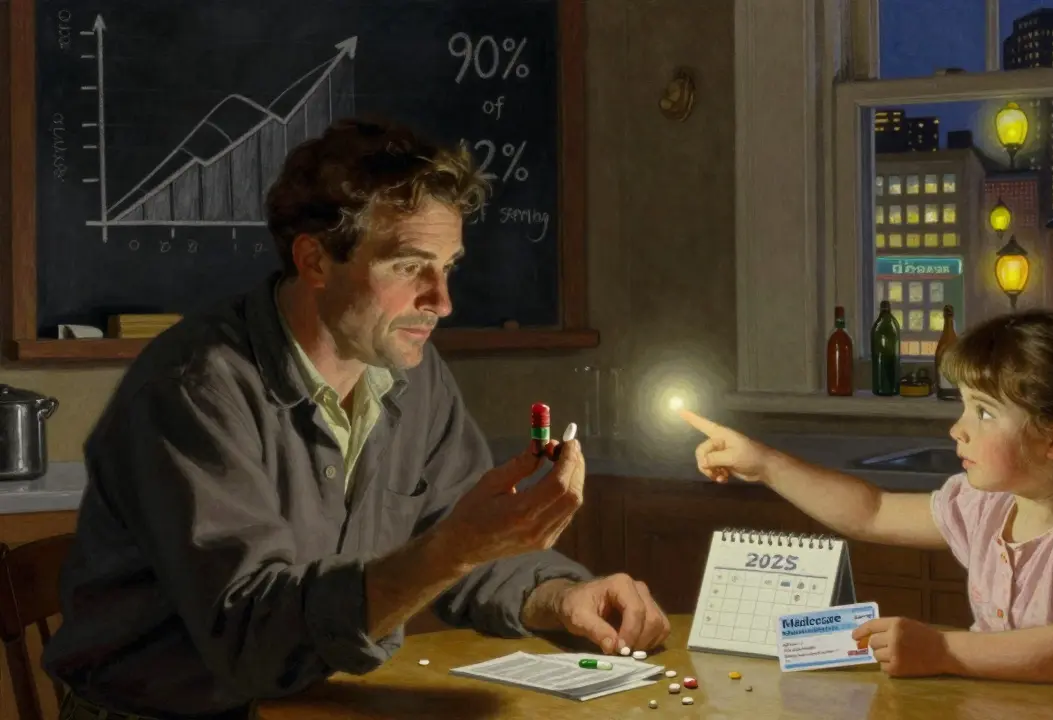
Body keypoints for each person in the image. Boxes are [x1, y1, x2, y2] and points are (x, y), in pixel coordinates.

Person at [44, 117, 669, 720]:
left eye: (447, 266)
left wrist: (561, 597)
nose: (442, 301)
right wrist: (450, 550)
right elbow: (254, 644)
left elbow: (464, 546)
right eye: (407, 266)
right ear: (315, 261)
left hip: (317, 708)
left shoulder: (413, 373)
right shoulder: (194, 392)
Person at [682, 309, 1053, 719]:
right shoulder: (983, 507)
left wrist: (942, 651)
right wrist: (766, 464)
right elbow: (872, 511)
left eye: (985, 412)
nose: (958, 429)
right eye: (964, 406)